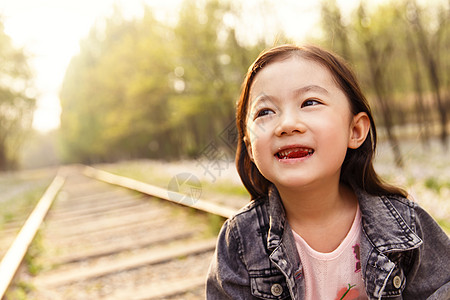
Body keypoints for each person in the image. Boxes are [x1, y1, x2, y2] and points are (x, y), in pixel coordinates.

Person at [206, 44, 450, 299]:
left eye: (310, 102)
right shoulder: (240, 240)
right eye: (265, 111)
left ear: (355, 130)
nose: (287, 125)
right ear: (250, 148)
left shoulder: (405, 224)